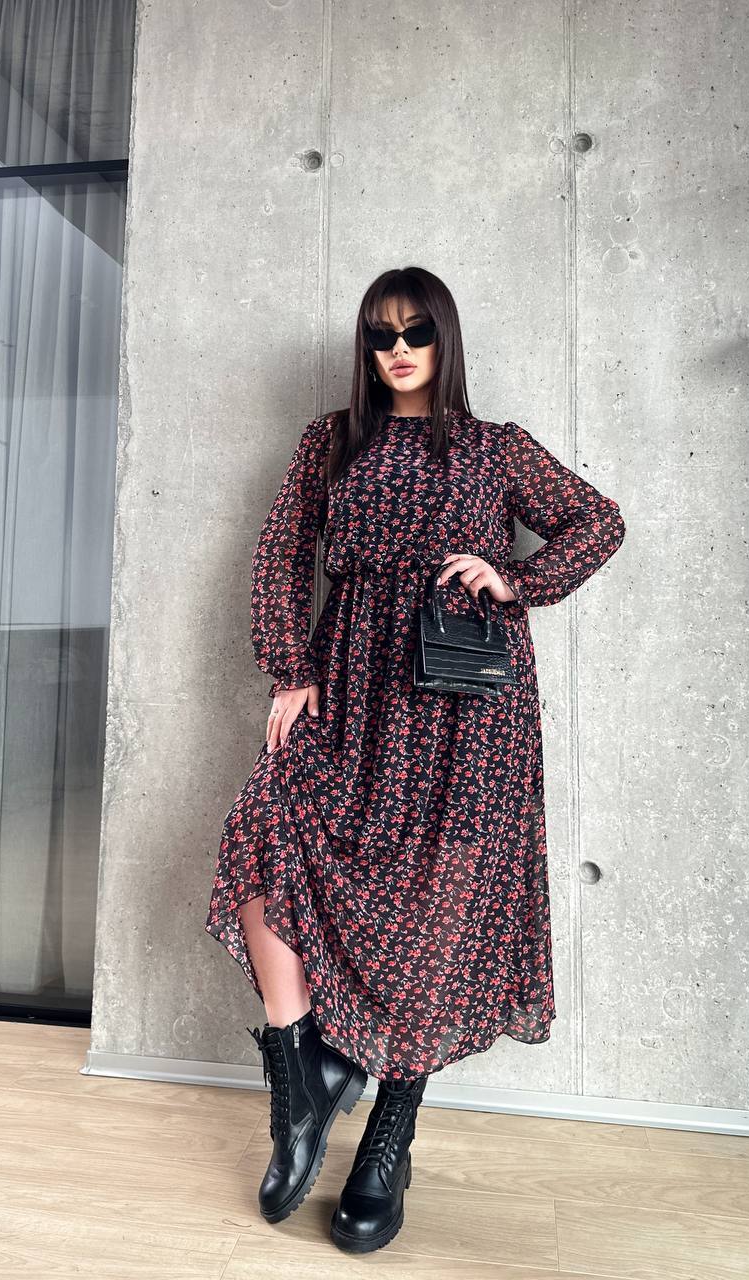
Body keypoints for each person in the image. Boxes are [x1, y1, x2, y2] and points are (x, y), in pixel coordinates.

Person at [205, 265, 626, 1254]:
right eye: (381, 334)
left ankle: (388, 1141)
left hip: (468, 710)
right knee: (263, 832)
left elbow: (598, 521)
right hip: (351, 685)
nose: (397, 349)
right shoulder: (331, 441)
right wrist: (290, 668)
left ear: (445, 339)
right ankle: (303, 1075)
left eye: (416, 331)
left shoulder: (495, 447)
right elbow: (280, 554)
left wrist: (515, 578)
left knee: (439, 911)